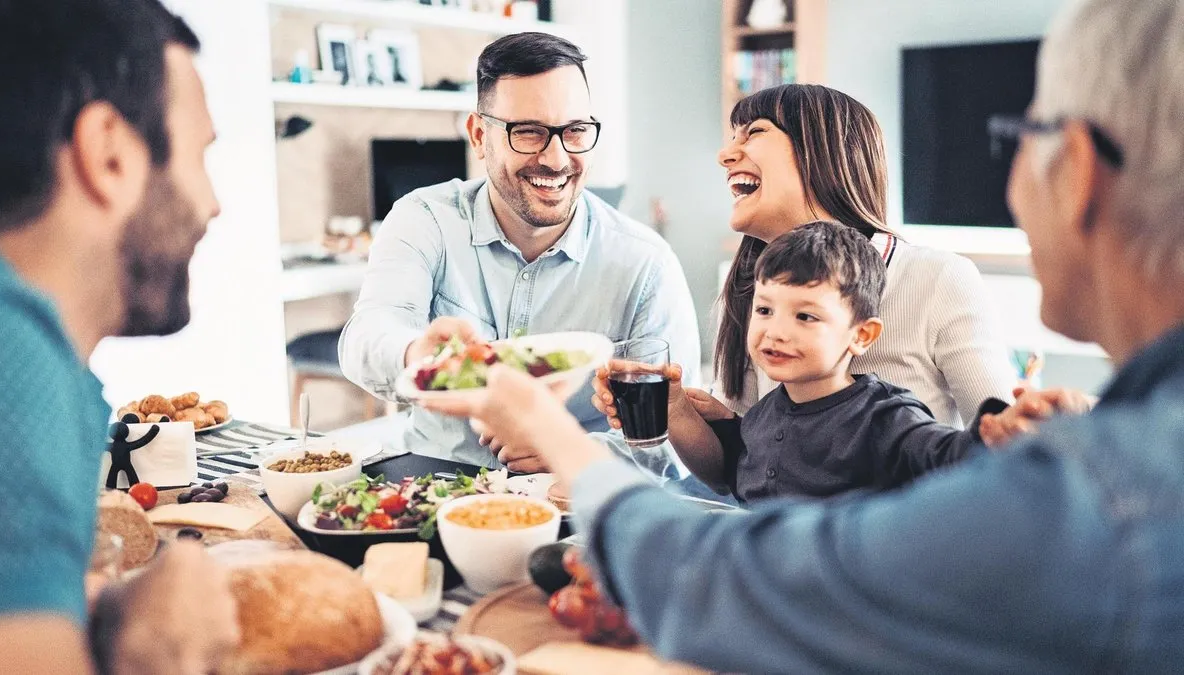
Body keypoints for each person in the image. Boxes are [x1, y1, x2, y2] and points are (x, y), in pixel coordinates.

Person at [423, 0, 1184, 670]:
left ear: (1077, 169)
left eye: (1020, 134)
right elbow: (751, 461)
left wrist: (552, 429)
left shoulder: (1088, 489)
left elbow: (989, 434)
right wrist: (684, 408)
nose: (725, 154)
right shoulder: (748, 281)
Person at [592, 83, 1021, 482]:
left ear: (825, 153)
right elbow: (741, 470)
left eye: (753, 133)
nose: (725, 154)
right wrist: (679, 410)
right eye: (731, 138)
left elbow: (1007, 451)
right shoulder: (746, 293)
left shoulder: (938, 278)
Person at [0, 1, 238, 672]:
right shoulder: (4, 362)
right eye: (200, 154)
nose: (214, 201)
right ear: (109, 155)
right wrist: (162, 654)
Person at [340, 31, 701, 469]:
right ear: (478, 135)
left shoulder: (646, 263)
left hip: (575, 506)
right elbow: (366, 337)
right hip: (437, 486)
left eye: (575, 130)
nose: (556, 158)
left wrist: (569, 451)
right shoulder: (425, 219)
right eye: (528, 133)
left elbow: (674, 440)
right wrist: (421, 355)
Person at [666, 220, 999, 503]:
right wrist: (698, 414)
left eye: (806, 316)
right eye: (765, 310)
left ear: (862, 335)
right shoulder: (764, 414)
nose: (775, 332)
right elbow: (739, 472)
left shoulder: (885, 416)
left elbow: (949, 455)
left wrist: (993, 429)